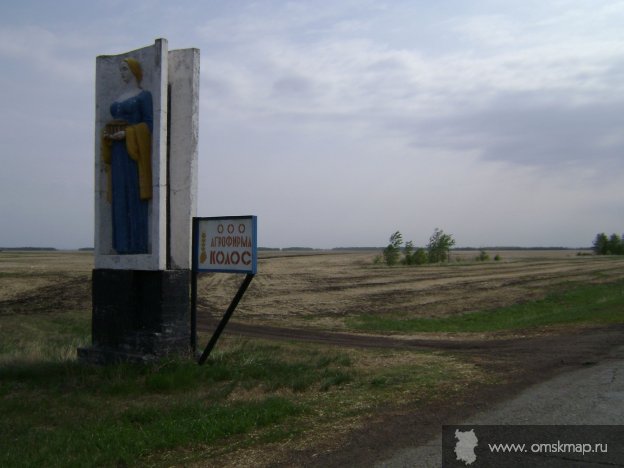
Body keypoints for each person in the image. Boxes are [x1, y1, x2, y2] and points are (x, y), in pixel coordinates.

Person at [101, 58, 153, 254]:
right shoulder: (119, 97)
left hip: (134, 154)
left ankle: (137, 244)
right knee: (119, 196)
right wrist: (107, 136)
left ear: (133, 70)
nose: (121, 73)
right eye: (120, 69)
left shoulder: (144, 95)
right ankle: (121, 244)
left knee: (133, 194)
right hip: (117, 153)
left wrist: (128, 133)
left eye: (124, 69)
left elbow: (149, 124)